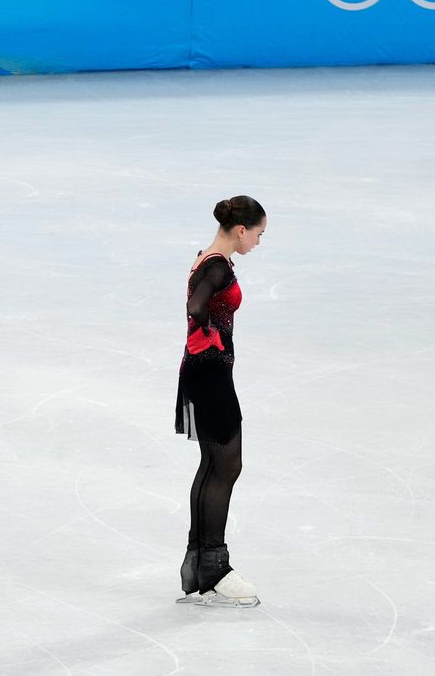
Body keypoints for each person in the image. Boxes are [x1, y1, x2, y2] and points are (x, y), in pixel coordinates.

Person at [174, 195, 266, 607]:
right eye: (259, 234)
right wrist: (210, 336)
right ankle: (215, 567)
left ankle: (200, 565)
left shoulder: (207, 258)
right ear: (241, 230)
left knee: (213, 464)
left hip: (202, 370)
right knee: (228, 463)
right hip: (209, 373)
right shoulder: (215, 266)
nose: (259, 243)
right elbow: (196, 307)